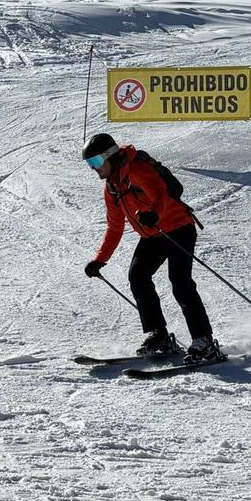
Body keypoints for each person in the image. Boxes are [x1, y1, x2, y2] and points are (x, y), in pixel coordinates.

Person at [81, 133, 219, 360]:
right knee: (138, 276)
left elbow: (160, 194)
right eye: (89, 164)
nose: (94, 168)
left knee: (180, 282)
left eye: (95, 162)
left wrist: (154, 214)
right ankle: (159, 335)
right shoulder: (112, 188)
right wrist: (100, 259)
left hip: (178, 228)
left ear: (110, 156)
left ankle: (203, 340)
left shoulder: (136, 170)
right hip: (153, 235)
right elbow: (114, 227)